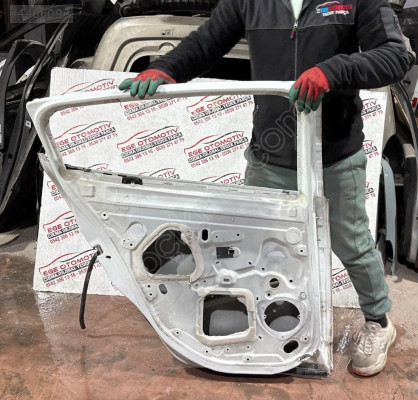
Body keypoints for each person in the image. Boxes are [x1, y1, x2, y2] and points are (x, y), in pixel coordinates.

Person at [118, 0, 409, 376]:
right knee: (258, 248)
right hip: (270, 157)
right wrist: (165, 67)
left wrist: (334, 70)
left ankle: (378, 322)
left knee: (351, 244)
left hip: (334, 155)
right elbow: (207, 42)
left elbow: (395, 56)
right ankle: (274, 326)